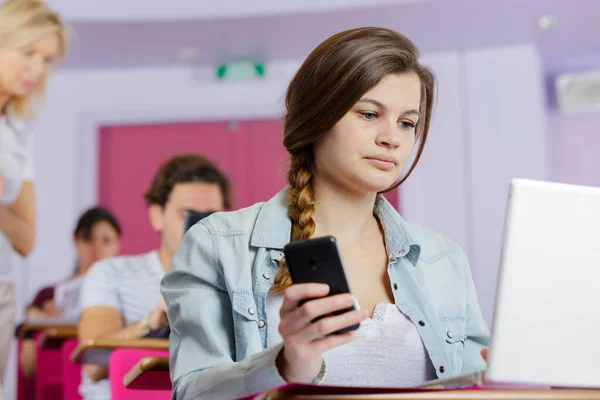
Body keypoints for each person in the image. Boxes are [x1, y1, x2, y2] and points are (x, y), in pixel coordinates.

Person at [161, 27, 490, 399]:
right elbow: (191, 392)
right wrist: (287, 363)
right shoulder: (217, 244)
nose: (392, 138)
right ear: (317, 118)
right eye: (369, 114)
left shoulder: (443, 259)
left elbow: (473, 383)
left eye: (407, 123)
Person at [78, 154, 232, 400]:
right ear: (156, 216)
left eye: (212, 217)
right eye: (187, 214)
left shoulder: (234, 282)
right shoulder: (111, 273)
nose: (201, 228)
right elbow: (93, 365)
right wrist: (152, 323)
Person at [0, 0, 69, 386]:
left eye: (46, 59)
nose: (37, 69)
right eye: (28, 52)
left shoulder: (18, 136)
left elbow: (26, 238)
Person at [19, 206, 121, 378]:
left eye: (106, 240)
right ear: (75, 241)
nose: (97, 249)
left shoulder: (125, 296)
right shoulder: (46, 296)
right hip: (58, 378)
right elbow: (28, 368)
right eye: (88, 239)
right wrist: (39, 325)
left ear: (118, 244)